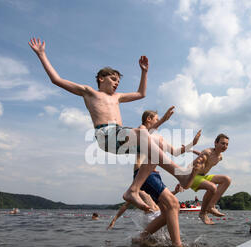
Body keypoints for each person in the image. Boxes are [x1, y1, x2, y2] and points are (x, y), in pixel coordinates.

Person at [29, 38, 205, 213]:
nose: (116, 83)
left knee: (155, 145)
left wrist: (144, 72)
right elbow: (56, 79)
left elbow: (141, 93)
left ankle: (134, 190)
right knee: (143, 133)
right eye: (113, 79)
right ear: (100, 78)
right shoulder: (89, 92)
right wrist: (42, 55)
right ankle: (180, 174)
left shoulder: (117, 97)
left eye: (118, 81)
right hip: (105, 134)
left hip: (119, 139)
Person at [125, 110, 202, 247]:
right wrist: (164, 120)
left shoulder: (159, 137)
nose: (159, 121)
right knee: (173, 204)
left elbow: (176, 152)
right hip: (144, 173)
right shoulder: (143, 132)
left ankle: (141, 238)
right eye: (157, 119)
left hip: (154, 174)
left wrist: (193, 143)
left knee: (170, 210)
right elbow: (144, 132)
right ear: (149, 119)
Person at [190, 134, 232, 225]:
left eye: (227, 144)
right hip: (191, 176)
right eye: (222, 143)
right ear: (215, 143)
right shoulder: (207, 152)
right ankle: (202, 213)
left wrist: (192, 151)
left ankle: (211, 206)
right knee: (212, 187)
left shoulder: (220, 157)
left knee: (226, 180)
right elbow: (202, 156)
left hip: (202, 176)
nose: (225, 146)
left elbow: (202, 154)